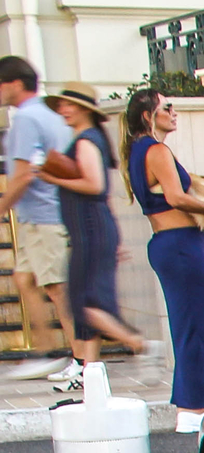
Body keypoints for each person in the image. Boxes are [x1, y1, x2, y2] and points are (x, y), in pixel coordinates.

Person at [124, 88, 204, 433]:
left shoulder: (142, 150)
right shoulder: (155, 150)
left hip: (181, 244)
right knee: (193, 322)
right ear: (148, 115)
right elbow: (175, 197)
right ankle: (191, 405)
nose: (174, 113)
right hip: (177, 245)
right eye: (166, 108)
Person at [36, 83, 154, 393]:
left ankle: (138, 343)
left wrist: (50, 177)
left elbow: (93, 185)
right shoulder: (89, 139)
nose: (64, 109)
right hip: (92, 229)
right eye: (61, 105)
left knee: (83, 303)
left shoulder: (87, 141)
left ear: (85, 110)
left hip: (89, 230)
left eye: (69, 105)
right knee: (86, 306)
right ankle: (90, 378)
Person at [0, 56, 75, 385]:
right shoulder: (48, 113)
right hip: (42, 215)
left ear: (15, 84)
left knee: (57, 288)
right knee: (25, 279)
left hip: (44, 216)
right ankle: (45, 352)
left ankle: (82, 361)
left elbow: (21, 176)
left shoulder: (27, 118)